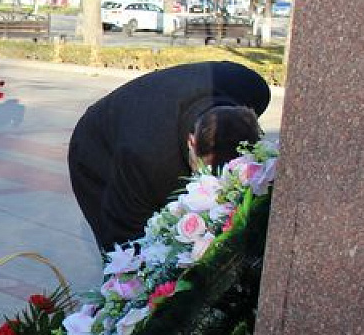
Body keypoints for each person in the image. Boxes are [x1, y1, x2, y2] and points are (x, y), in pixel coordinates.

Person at [67, 61, 271, 251]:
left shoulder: (253, 88)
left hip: (154, 114)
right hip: (97, 148)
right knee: (132, 252)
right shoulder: (147, 157)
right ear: (191, 141)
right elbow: (123, 230)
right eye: (206, 171)